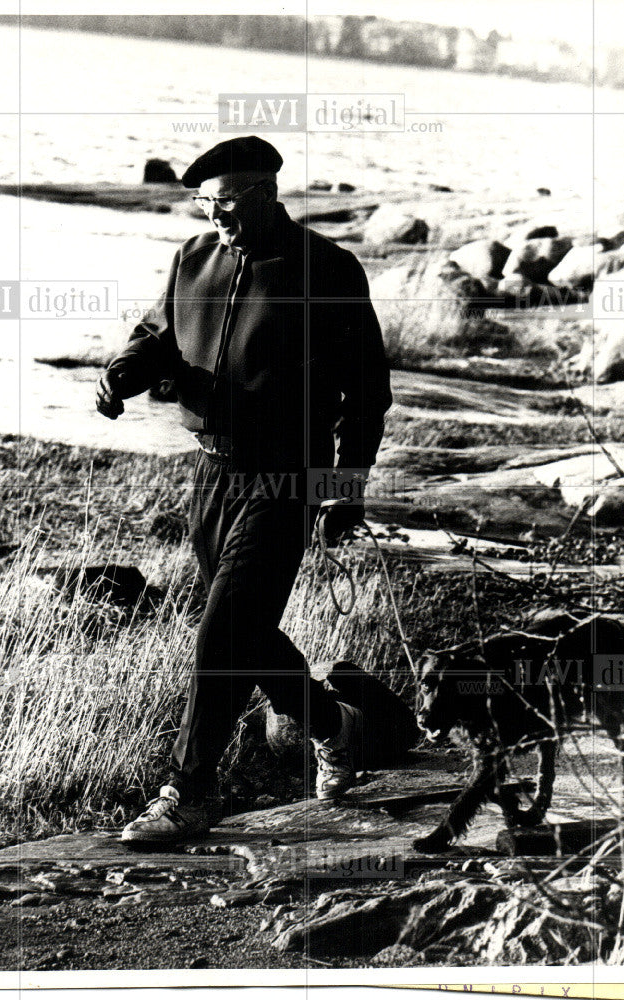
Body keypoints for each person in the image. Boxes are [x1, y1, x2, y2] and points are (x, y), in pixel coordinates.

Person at [96, 135, 392, 845]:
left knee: (223, 632)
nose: (215, 217)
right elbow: (156, 334)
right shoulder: (191, 259)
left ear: (266, 194)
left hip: (287, 476)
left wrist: (342, 487)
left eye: (226, 204)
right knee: (245, 631)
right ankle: (331, 725)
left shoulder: (329, 268)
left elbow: (368, 392)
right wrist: (121, 372)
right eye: (205, 204)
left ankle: (190, 791)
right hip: (211, 472)